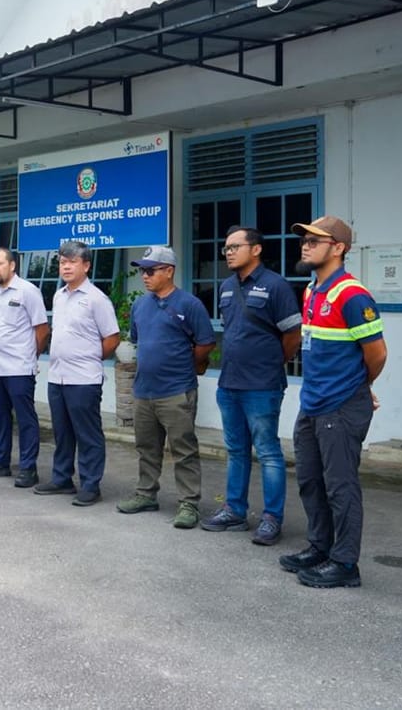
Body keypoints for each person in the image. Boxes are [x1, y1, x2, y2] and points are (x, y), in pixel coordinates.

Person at [278, 216, 386, 589]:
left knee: (340, 487)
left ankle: (344, 563)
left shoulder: (351, 295)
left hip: (340, 405)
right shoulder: (312, 291)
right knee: (310, 480)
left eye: (315, 240)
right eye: (304, 239)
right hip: (313, 402)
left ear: (338, 247)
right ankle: (320, 547)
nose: (305, 244)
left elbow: (377, 353)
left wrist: (360, 386)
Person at [203, 226, 302, 545]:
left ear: (256, 249)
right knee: (235, 450)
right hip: (229, 383)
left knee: (269, 452)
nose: (229, 252)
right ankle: (234, 510)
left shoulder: (276, 285)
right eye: (226, 248)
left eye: (235, 246)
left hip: (262, 385)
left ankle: (272, 518)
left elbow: (292, 335)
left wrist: (273, 362)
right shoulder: (227, 286)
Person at [115, 245, 215, 530]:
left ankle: (189, 504)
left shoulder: (189, 304)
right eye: (141, 271)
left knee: (183, 449)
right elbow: (137, 339)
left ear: (169, 271)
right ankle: (146, 494)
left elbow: (205, 343)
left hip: (176, 390)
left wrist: (187, 365)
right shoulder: (140, 305)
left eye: (150, 270)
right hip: (144, 390)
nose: (144, 276)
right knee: (147, 447)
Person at [35, 241, 119, 505]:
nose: (66, 266)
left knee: (88, 433)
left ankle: (91, 485)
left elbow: (112, 337)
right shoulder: (59, 296)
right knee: (62, 431)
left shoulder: (96, 299)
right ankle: (62, 478)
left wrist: (90, 357)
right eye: (62, 262)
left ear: (86, 265)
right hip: (58, 376)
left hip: (83, 378)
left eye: (72, 262)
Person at [0, 248, 48, 488]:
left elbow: (42, 329)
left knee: (25, 419)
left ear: (12, 265)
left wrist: (30, 355)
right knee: (0, 417)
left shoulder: (28, 291)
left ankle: (28, 467)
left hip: (19, 367)